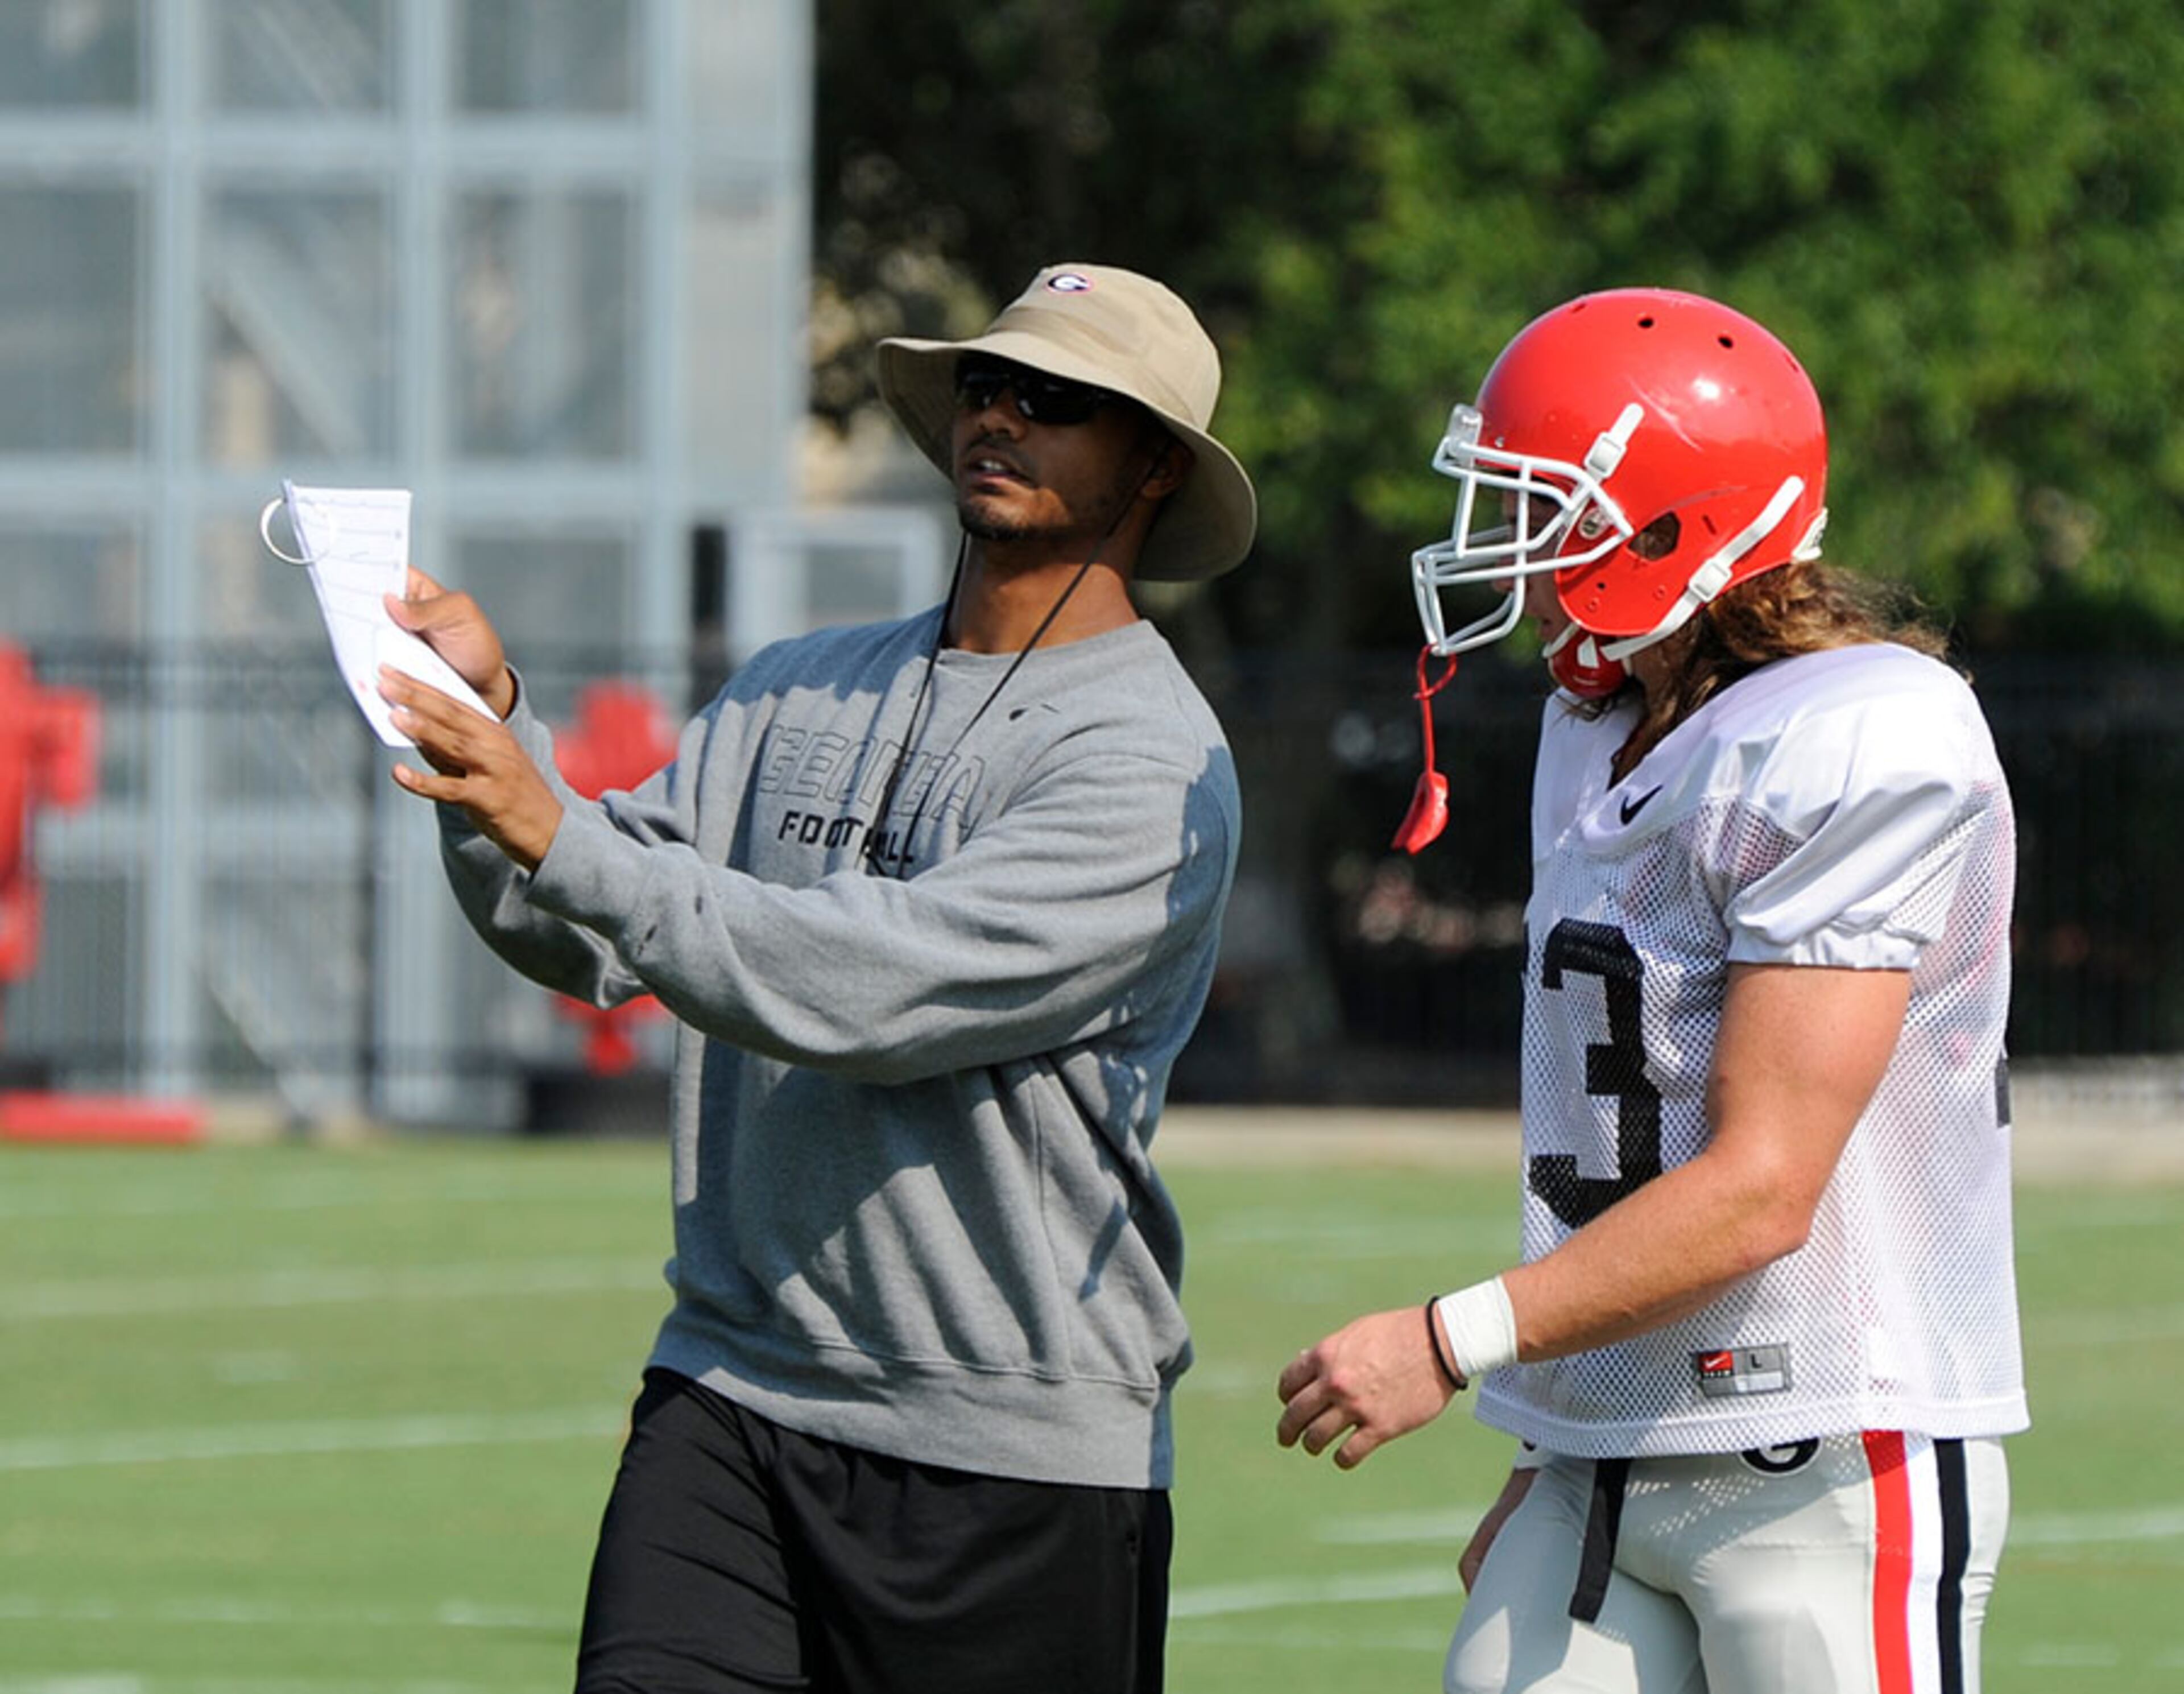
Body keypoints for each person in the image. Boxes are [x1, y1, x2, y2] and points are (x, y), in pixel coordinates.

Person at [375, 262, 1257, 1694]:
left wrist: (552, 826)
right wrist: (490, 752)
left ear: (1154, 467)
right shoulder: (799, 682)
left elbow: (869, 990)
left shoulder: (1157, 768)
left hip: (1011, 1452)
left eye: (1060, 402)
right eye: (987, 384)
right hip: (730, 1391)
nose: (1003, 416)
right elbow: (583, 926)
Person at [1276, 287, 2024, 1694]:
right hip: (1609, 1443)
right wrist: (1563, 1423)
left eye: (1549, 508)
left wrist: (1453, 1342)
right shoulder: (1598, 719)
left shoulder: (1861, 735)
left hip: (1823, 1445)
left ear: (1674, 522)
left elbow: (1760, 1185)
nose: (1516, 547)